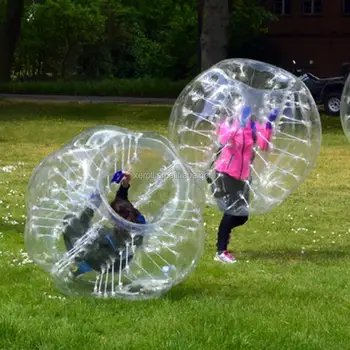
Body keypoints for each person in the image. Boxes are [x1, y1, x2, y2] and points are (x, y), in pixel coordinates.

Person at [210, 105, 277, 263]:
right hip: (226, 173)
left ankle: (226, 232)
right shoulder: (228, 123)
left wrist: (268, 124)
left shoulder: (253, 127)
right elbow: (223, 140)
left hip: (243, 176)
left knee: (242, 216)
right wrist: (237, 127)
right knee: (232, 211)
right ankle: (221, 251)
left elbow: (264, 145)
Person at [62, 170, 146, 276]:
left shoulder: (112, 235)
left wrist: (97, 195)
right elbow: (122, 200)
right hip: (120, 259)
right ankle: (83, 265)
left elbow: (85, 216)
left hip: (111, 263)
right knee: (95, 232)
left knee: (83, 228)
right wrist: (124, 184)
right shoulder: (137, 218)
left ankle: (82, 265)